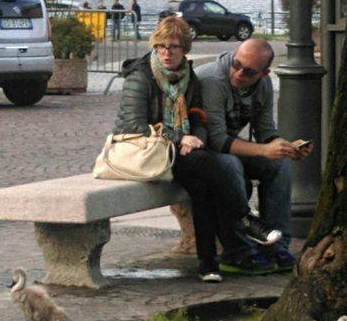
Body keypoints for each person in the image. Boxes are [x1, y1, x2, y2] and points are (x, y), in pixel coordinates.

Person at [112, 16, 279, 283]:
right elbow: (134, 125)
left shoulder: (189, 77)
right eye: (161, 46)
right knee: (212, 168)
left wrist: (196, 139)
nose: (166, 53)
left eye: (173, 47)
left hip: (178, 152)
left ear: (184, 49)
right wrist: (180, 138)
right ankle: (243, 221)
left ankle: (209, 265)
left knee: (203, 186)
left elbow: (199, 118)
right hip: (144, 150)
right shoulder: (141, 76)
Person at [196, 37, 311, 274]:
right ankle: (238, 251)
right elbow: (216, 141)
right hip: (199, 152)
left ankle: (276, 245)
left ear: (264, 73)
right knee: (230, 166)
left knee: (279, 164)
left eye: (248, 72)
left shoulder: (263, 84)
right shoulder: (212, 80)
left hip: (227, 147)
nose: (239, 74)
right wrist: (264, 150)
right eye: (236, 64)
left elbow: (265, 130)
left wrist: (283, 147)